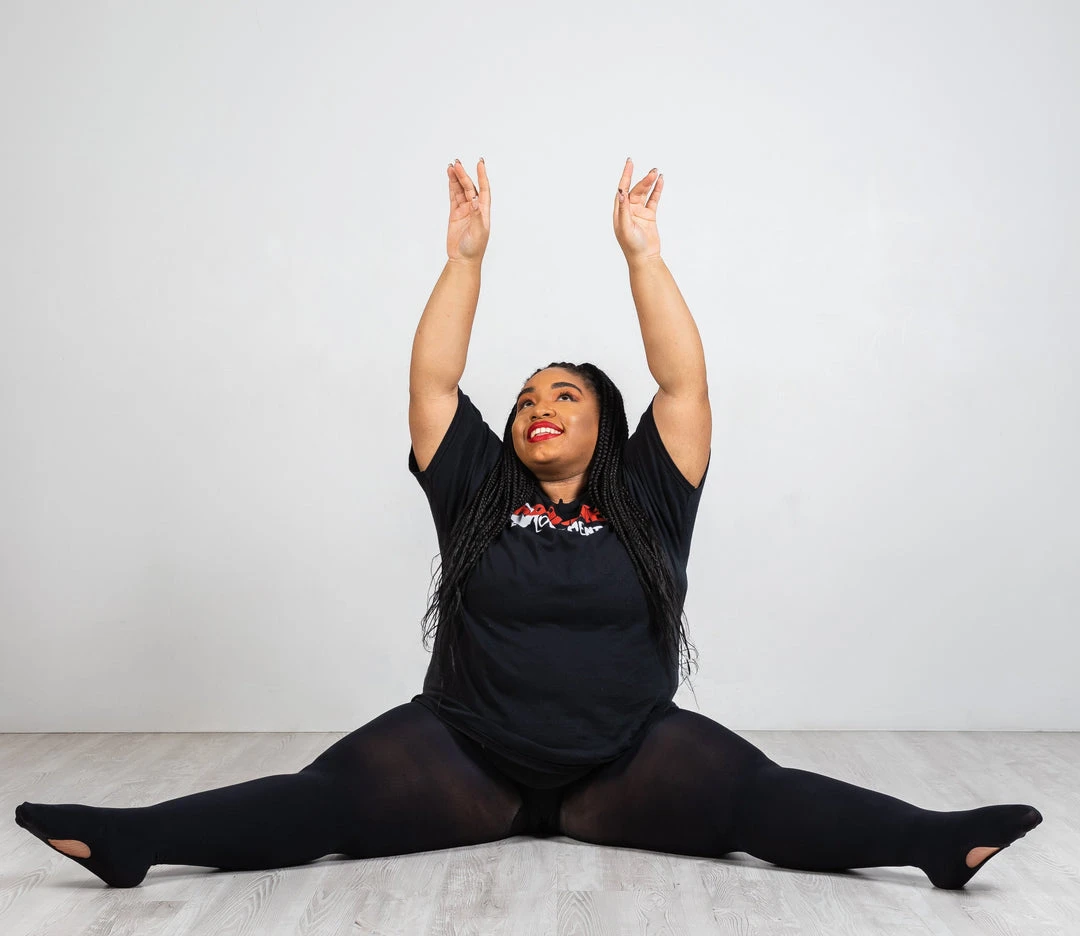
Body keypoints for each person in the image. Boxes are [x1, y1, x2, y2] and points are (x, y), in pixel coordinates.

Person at [15, 158, 1042, 891]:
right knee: (323, 800)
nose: (536, 406)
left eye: (564, 394)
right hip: (464, 753)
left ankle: (932, 843)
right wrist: (464, 259)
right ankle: (139, 840)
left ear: (606, 421)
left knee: (756, 802)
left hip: (626, 759)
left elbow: (683, 381)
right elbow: (433, 382)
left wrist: (643, 257)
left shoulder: (649, 492)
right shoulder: (475, 488)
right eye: (524, 398)